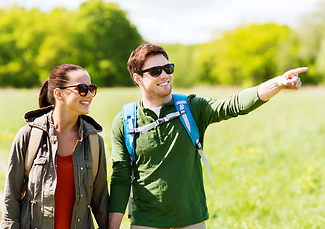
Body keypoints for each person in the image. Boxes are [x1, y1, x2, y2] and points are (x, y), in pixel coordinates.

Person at [108, 44, 308, 229]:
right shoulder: (125, 121)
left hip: (191, 219)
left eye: (168, 68)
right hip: (146, 221)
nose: (165, 75)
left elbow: (233, 104)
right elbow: (121, 178)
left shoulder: (191, 108)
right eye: (155, 71)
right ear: (138, 78)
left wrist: (277, 83)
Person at [0, 64, 108, 229]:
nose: (89, 95)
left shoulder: (94, 142)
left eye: (91, 88)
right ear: (59, 93)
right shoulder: (28, 136)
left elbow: (100, 203)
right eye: (82, 88)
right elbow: (11, 198)